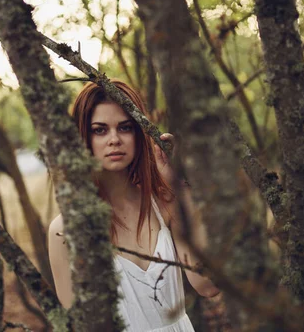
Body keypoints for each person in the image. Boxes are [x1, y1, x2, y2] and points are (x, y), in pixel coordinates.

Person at [48, 80, 219, 331]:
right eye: (100, 130)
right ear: (82, 138)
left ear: (139, 134)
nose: (114, 139)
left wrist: (181, 187)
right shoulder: (65, 229)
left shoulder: (164, 203)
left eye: (125, 127)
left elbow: (208, 285)